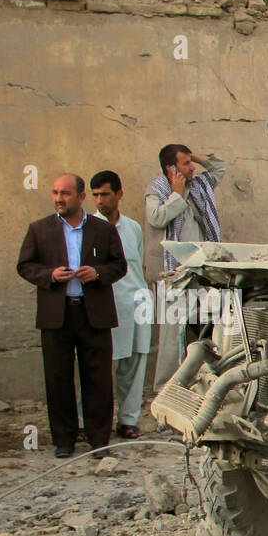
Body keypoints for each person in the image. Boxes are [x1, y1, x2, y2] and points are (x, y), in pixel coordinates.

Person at [16, 173, 127, 458]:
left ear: (80, 197)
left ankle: (99, 439)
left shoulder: (103, 230)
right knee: (58, 378)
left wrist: (98, 272)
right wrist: (50, 275)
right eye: (54, 193)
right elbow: (25, 265)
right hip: (57, 315)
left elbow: (119, 266)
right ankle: (64, 440)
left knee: (98, 378)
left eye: (64, 193)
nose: (58, 199)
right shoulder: (40, 229)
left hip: (94, 314)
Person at [146, 143, 225, 386]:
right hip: (174, 274)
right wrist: (177, 195)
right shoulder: (157, 190)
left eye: (191, 162)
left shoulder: (199, 186)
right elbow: (156, 217)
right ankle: (166, 387)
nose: (192, 167)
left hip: (201, 271)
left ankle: (199, 383)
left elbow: (220, 167)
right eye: (186, 163)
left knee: (204, 328)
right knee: (173, 334)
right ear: (172, 169)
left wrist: (199, 157)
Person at [90, 170, 151, 440]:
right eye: (95, 195)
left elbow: (135, 266)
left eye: (104, 194)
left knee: (134, 363)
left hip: (136, 301)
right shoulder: (89, 227)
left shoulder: (133, 227)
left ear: (119, 194)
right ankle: (87, 422)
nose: (100, 200)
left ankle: (128, 420)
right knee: (96, 366)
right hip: (105, 302)